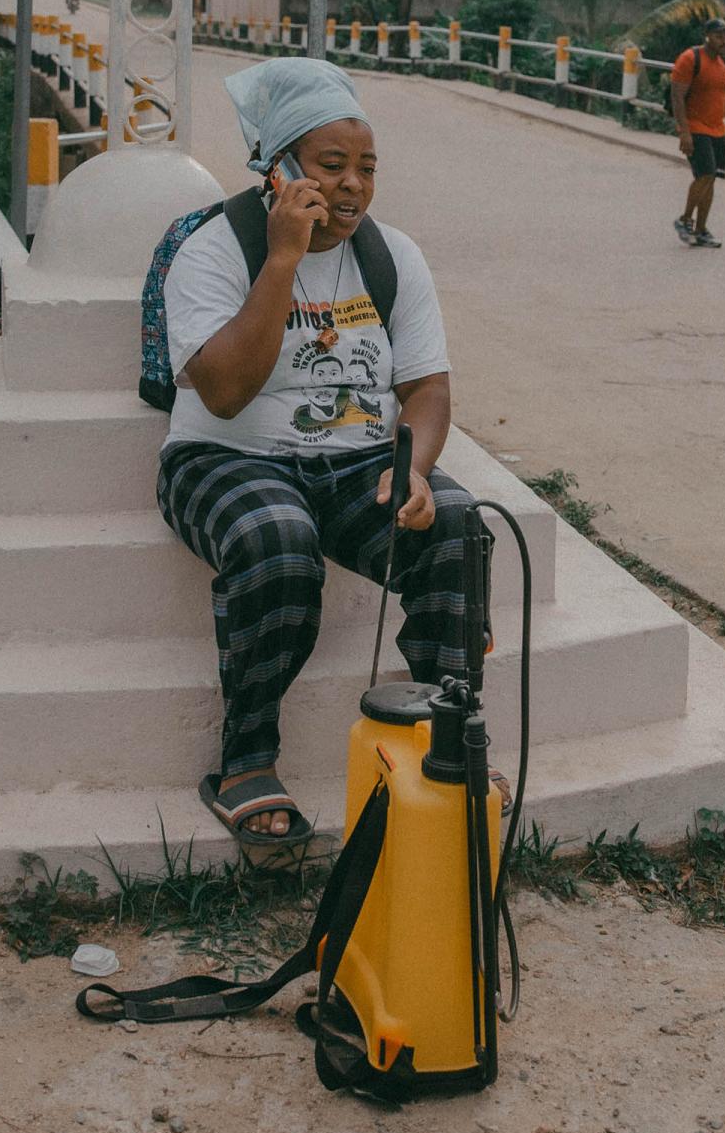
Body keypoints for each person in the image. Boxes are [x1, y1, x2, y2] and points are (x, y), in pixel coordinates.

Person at [155, 56, 481, 853]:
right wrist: (282, 259)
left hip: (354, 465)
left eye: (365, 169)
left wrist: (412, 464)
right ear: (278, 169)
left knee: (460, 527)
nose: (352, 188)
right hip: (223, 460)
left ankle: (442, 735)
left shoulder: (393, 257)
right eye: (331, 166)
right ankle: (245, 762)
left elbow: (428, 390)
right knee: (277, 537)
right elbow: (224, 392)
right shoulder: (211, 251)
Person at [667, 19, 725, 248]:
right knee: (705, 174)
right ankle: (685, 219)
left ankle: (701, 230)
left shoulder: (723, 65)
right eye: (718, 36)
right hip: (695, 127)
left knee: (711, 178)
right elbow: (677, 97)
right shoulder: (690, 59)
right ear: (707, 36)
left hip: (717, 129)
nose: (724, 41)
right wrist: (684, 131)